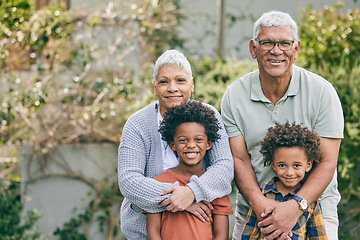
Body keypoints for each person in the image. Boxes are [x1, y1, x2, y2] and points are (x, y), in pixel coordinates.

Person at [221, 10, 343, 240]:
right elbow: (239, 159)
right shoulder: (234, 95)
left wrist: (295, 207)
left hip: (315, 210)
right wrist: (263, 207)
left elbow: (328, 161)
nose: (276, 50)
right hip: (254, 212)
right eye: (267, 42)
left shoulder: (322, 93)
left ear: (295, 49)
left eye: (284, 43)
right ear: (253, 48)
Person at [118, 49, 234, 239]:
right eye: (164, 82)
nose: (172, 88)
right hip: (145, 233)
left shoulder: (208, 116)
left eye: (180, 80)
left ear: (192, 84)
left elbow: (224, 167)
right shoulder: (137, 123)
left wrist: (192, 192)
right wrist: (182, 199)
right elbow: (128, 181)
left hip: (199, 232)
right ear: (154, 87)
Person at [144, 101, 233, 240]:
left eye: (198, 139)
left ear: (208, 144)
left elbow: (221, 235)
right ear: (173, 145)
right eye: (183, 140)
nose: (191, 145)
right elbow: (153, 233)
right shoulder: (159, 183)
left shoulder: (215, 188)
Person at [241, 121, 327, 239]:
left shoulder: (311, 201)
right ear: (273, 165)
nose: (289, 172)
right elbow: (249, 233)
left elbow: (318, 236)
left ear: (308, 165)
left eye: (296, 165)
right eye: (282, 165)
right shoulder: (263, 193)